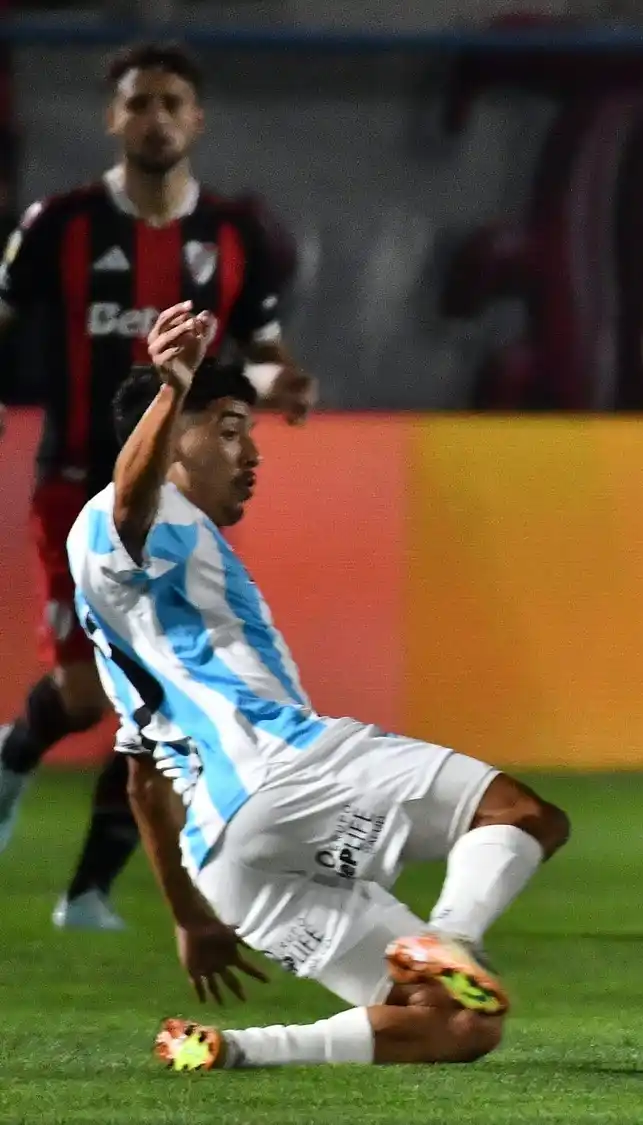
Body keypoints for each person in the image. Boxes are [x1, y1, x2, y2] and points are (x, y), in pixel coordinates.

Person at [69, 302, 570, 1071]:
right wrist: (172, 387)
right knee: (522, 815)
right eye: (229, 430)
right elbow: (132, 503)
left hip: (227, 857)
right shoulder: (123, 517)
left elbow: (143, 778)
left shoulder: (146, 619)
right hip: (282, 769)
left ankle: (229, 1050)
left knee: (458, 1024)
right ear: (169, 437)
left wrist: (190, 915)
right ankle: (451, 938)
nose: (250, 454)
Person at [0, 40, 314, 931]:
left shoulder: (235, 236)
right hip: (76, 487)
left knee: (166, 695)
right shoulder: (59, 224)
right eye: (139, 103)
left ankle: (88, 893)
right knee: (83, 694)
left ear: (197, 119)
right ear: (114, 118)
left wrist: (283, 384)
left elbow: (262, 356)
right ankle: (15, 756)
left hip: (184, 504)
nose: (156, 119)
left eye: (172, 103)